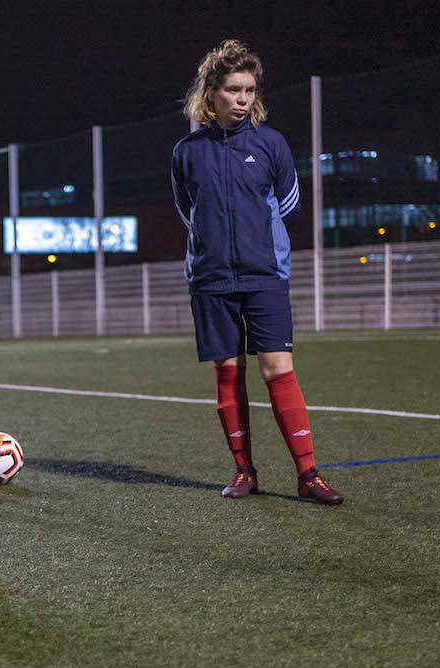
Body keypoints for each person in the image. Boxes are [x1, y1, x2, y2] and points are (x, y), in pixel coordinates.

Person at [171, 40, 342, 505]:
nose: (243, 98)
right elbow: (189, 211)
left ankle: (308, 475)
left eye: (249, 89)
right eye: (233, 89)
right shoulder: (187, 151)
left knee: (278, 370)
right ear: (212, 93)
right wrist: (215, 245)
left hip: (264, 275)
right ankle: (244, 470)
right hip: (211, 280)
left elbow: (287, 206)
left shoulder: (271, 144)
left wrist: (255, 243)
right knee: (229, 372)